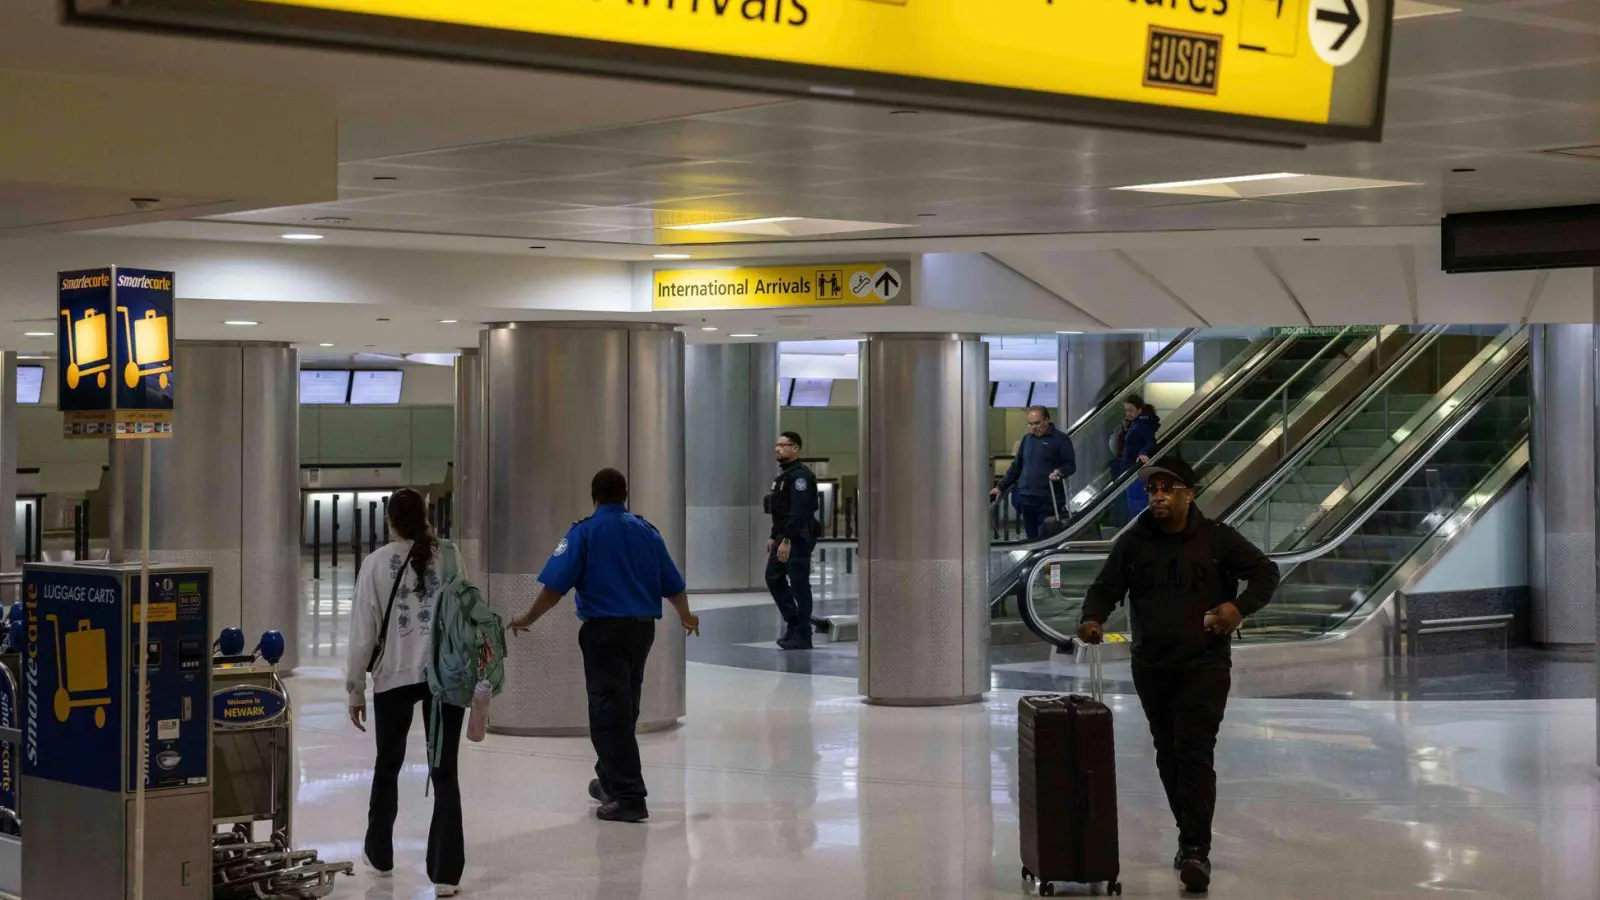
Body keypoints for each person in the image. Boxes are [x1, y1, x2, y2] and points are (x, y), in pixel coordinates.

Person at [1076, 458, 1278, 894]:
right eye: (1153, 489)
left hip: (1204, 665)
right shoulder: (1134, 543)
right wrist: (1093, 617)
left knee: (1193, 751)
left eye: (1168, 489)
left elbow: (1266, 572)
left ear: (1190, 494)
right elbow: (1105, 588)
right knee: (1168, 754)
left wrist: (1238, 608)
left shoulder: (1216, 540)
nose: (1158, 496)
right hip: (1152, 666)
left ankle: (1196, 849)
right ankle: (1188, 838)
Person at [507, 468, 700, 823]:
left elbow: (554, 588)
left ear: (593, 497)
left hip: (604, 633)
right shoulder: (647, 532)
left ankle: (629, 796)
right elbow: (673, 585)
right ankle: (610, 779)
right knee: (626, 707)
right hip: (641, 631)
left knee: (608, 712)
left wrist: (527, 618)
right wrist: (687, 617)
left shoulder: (584, 532)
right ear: (625, 495)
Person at [345, 487, 465, 898]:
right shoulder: (449, 556)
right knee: (444, 770)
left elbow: (363, 632)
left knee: (388, 764)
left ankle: (379, 856)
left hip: (393, 677)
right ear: (427, 517)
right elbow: (463, 615)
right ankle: (446, 873)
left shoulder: (376, 564)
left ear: (390, 521)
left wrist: (355, 688)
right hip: (444, 677)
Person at [765, 431, 820, 650]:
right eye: (776, 445)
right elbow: (780, 510)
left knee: (799, 586)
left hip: (797, 537)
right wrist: (773, 535)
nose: (777, 449)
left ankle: (804, 634)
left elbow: (799, 512)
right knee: (773, 577)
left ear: (795, 448)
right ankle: (794, 622)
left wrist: (786, 539)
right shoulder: (784, 476)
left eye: (783, 445)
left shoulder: (800, 477)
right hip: (783, 536)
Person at [991, 405, 1076, 540]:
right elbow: (1016, 467)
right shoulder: (1027, 439)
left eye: (1037, 423)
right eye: (1030, 424)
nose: (1033, 427)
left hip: (1048, 498)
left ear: (1047, 420)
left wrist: (1059, 472)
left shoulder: (1061, 439)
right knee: (1031, 537)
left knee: (1045, 536)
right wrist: (1001, 486)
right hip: (1027, 497)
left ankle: (1048, 560)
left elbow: (1070, 465)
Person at [1111, 395, 1161, 520]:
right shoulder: (1136, 423)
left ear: (1139, 410)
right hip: (1130, 469)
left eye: (1131, 410)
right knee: (1133, 504)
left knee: (1137, 505)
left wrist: (1143, 453)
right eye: (1126, 410)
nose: (1128, 413)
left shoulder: (1143, 424)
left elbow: (1150, 442)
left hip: (1135, 471)